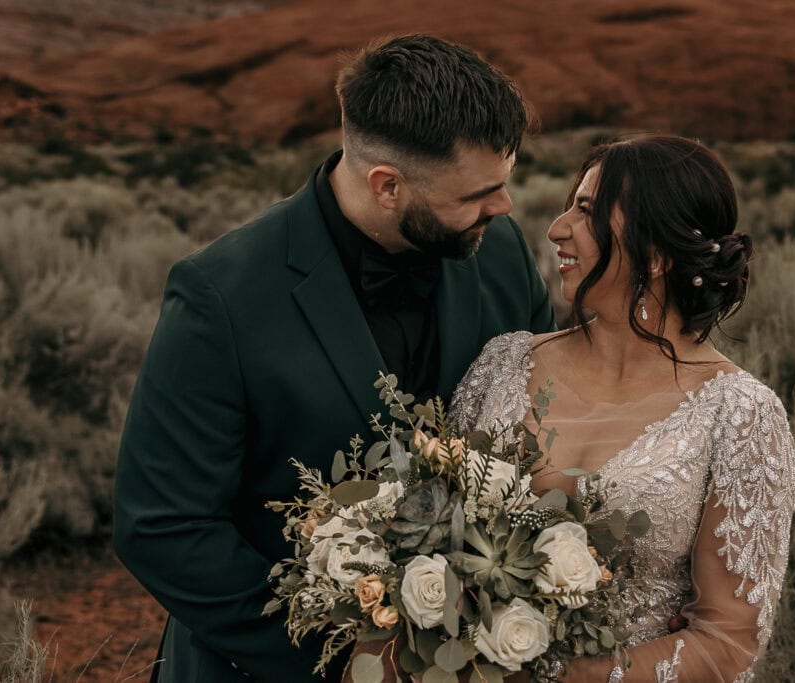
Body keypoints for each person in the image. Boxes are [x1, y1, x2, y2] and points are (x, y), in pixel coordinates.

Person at [113, 34, 555, 683]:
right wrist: (347, 658)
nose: (505, 207)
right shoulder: (220, 297)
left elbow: (543, 429)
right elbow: (161, 525)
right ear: (387, 185)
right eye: (477, 194)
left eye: (505, 183)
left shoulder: (502, 251)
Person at [451, 136, 795, 682]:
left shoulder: (740, 416)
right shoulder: (504, 364)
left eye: (586, 212)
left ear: (657, 253)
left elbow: (728, 643)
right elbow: (434, 537)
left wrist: (570, 677)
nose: (556, 228)